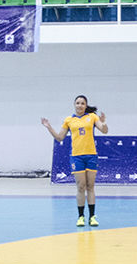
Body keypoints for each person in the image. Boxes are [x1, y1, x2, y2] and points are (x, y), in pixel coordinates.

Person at [41, 95, 108, 227]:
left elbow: (105, 131)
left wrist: (104, 122)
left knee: (90, 186)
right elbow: (60, 137)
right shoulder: (69, 120)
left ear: (85, 105)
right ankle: (81, 216)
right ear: (74, 105)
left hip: (91, 155)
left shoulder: (92, 117)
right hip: (76, 156)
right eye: (77, 103)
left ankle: (93, 216)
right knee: (81, 187)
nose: (80, 105)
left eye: (82, 103)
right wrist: (49, 127)